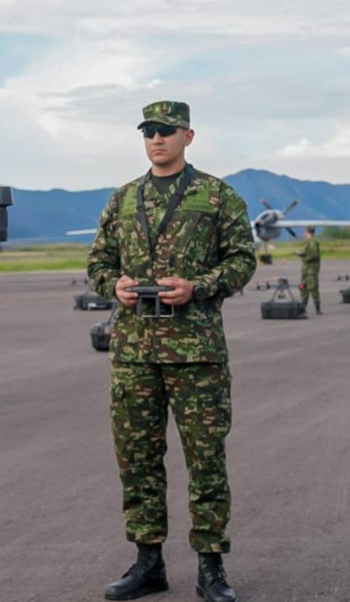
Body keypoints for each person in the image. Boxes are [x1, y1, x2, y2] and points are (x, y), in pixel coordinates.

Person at [88, 101, 256, 602]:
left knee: (206, 460)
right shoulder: (123, 199)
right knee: (137, 459)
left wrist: (198, 286)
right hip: (135, 353)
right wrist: (111, 285)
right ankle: (148, 563)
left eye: (165, 131)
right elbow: (98, 261)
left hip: (196, 352)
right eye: (148, 131)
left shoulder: (216, 196)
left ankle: (211, 567)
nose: (156, 139)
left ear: (188, 135)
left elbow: (243, 261)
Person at [296, 226, 321, 314]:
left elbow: (313, 255)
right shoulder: (307, 242)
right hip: (305, 270)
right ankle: (303, 308)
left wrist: (303, 257)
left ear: (307, 232)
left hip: (311, 270)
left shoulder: (313, 243)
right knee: (303, 288)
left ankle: (317, 308)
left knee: (313, 288)